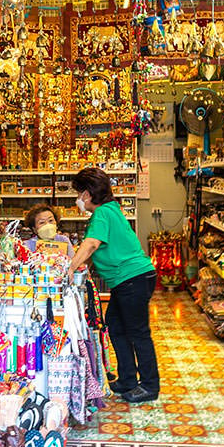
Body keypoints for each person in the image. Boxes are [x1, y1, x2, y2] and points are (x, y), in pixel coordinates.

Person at [63, 166, 160, 403]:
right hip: (129, 279)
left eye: (79, 194)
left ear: (87, 194)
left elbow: (92, 244)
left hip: (131, 279)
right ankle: (127, 378)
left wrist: (70, 268)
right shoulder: (112, 208)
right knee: (116, 327)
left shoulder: (103, 213)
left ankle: (149, 385)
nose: (78, 199)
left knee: (138, 333)